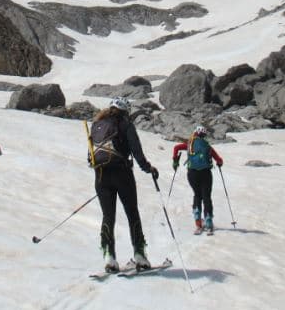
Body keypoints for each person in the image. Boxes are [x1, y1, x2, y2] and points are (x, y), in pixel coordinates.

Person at [88, 96, 159, 272]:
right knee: (132, 212)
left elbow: (91, 154)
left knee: (108, 216)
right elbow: (136, 150)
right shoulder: (125, 124)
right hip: (122, 173)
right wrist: (148, 168)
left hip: (101, 175)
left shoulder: (97, 125)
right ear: (125, 110)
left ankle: (109, 257)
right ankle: (140, 255)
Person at [172, 125, 223, 234]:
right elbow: (219, 160)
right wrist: (219, 163)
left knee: (197, 195)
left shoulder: (189, 143)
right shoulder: (207, 146)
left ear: (195, 133)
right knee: (206, 197)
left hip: (192, 173)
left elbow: (176, 148)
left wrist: (175, 161)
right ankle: (209, 223)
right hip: (206, 173)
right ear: (204, 135)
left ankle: (198, 224)